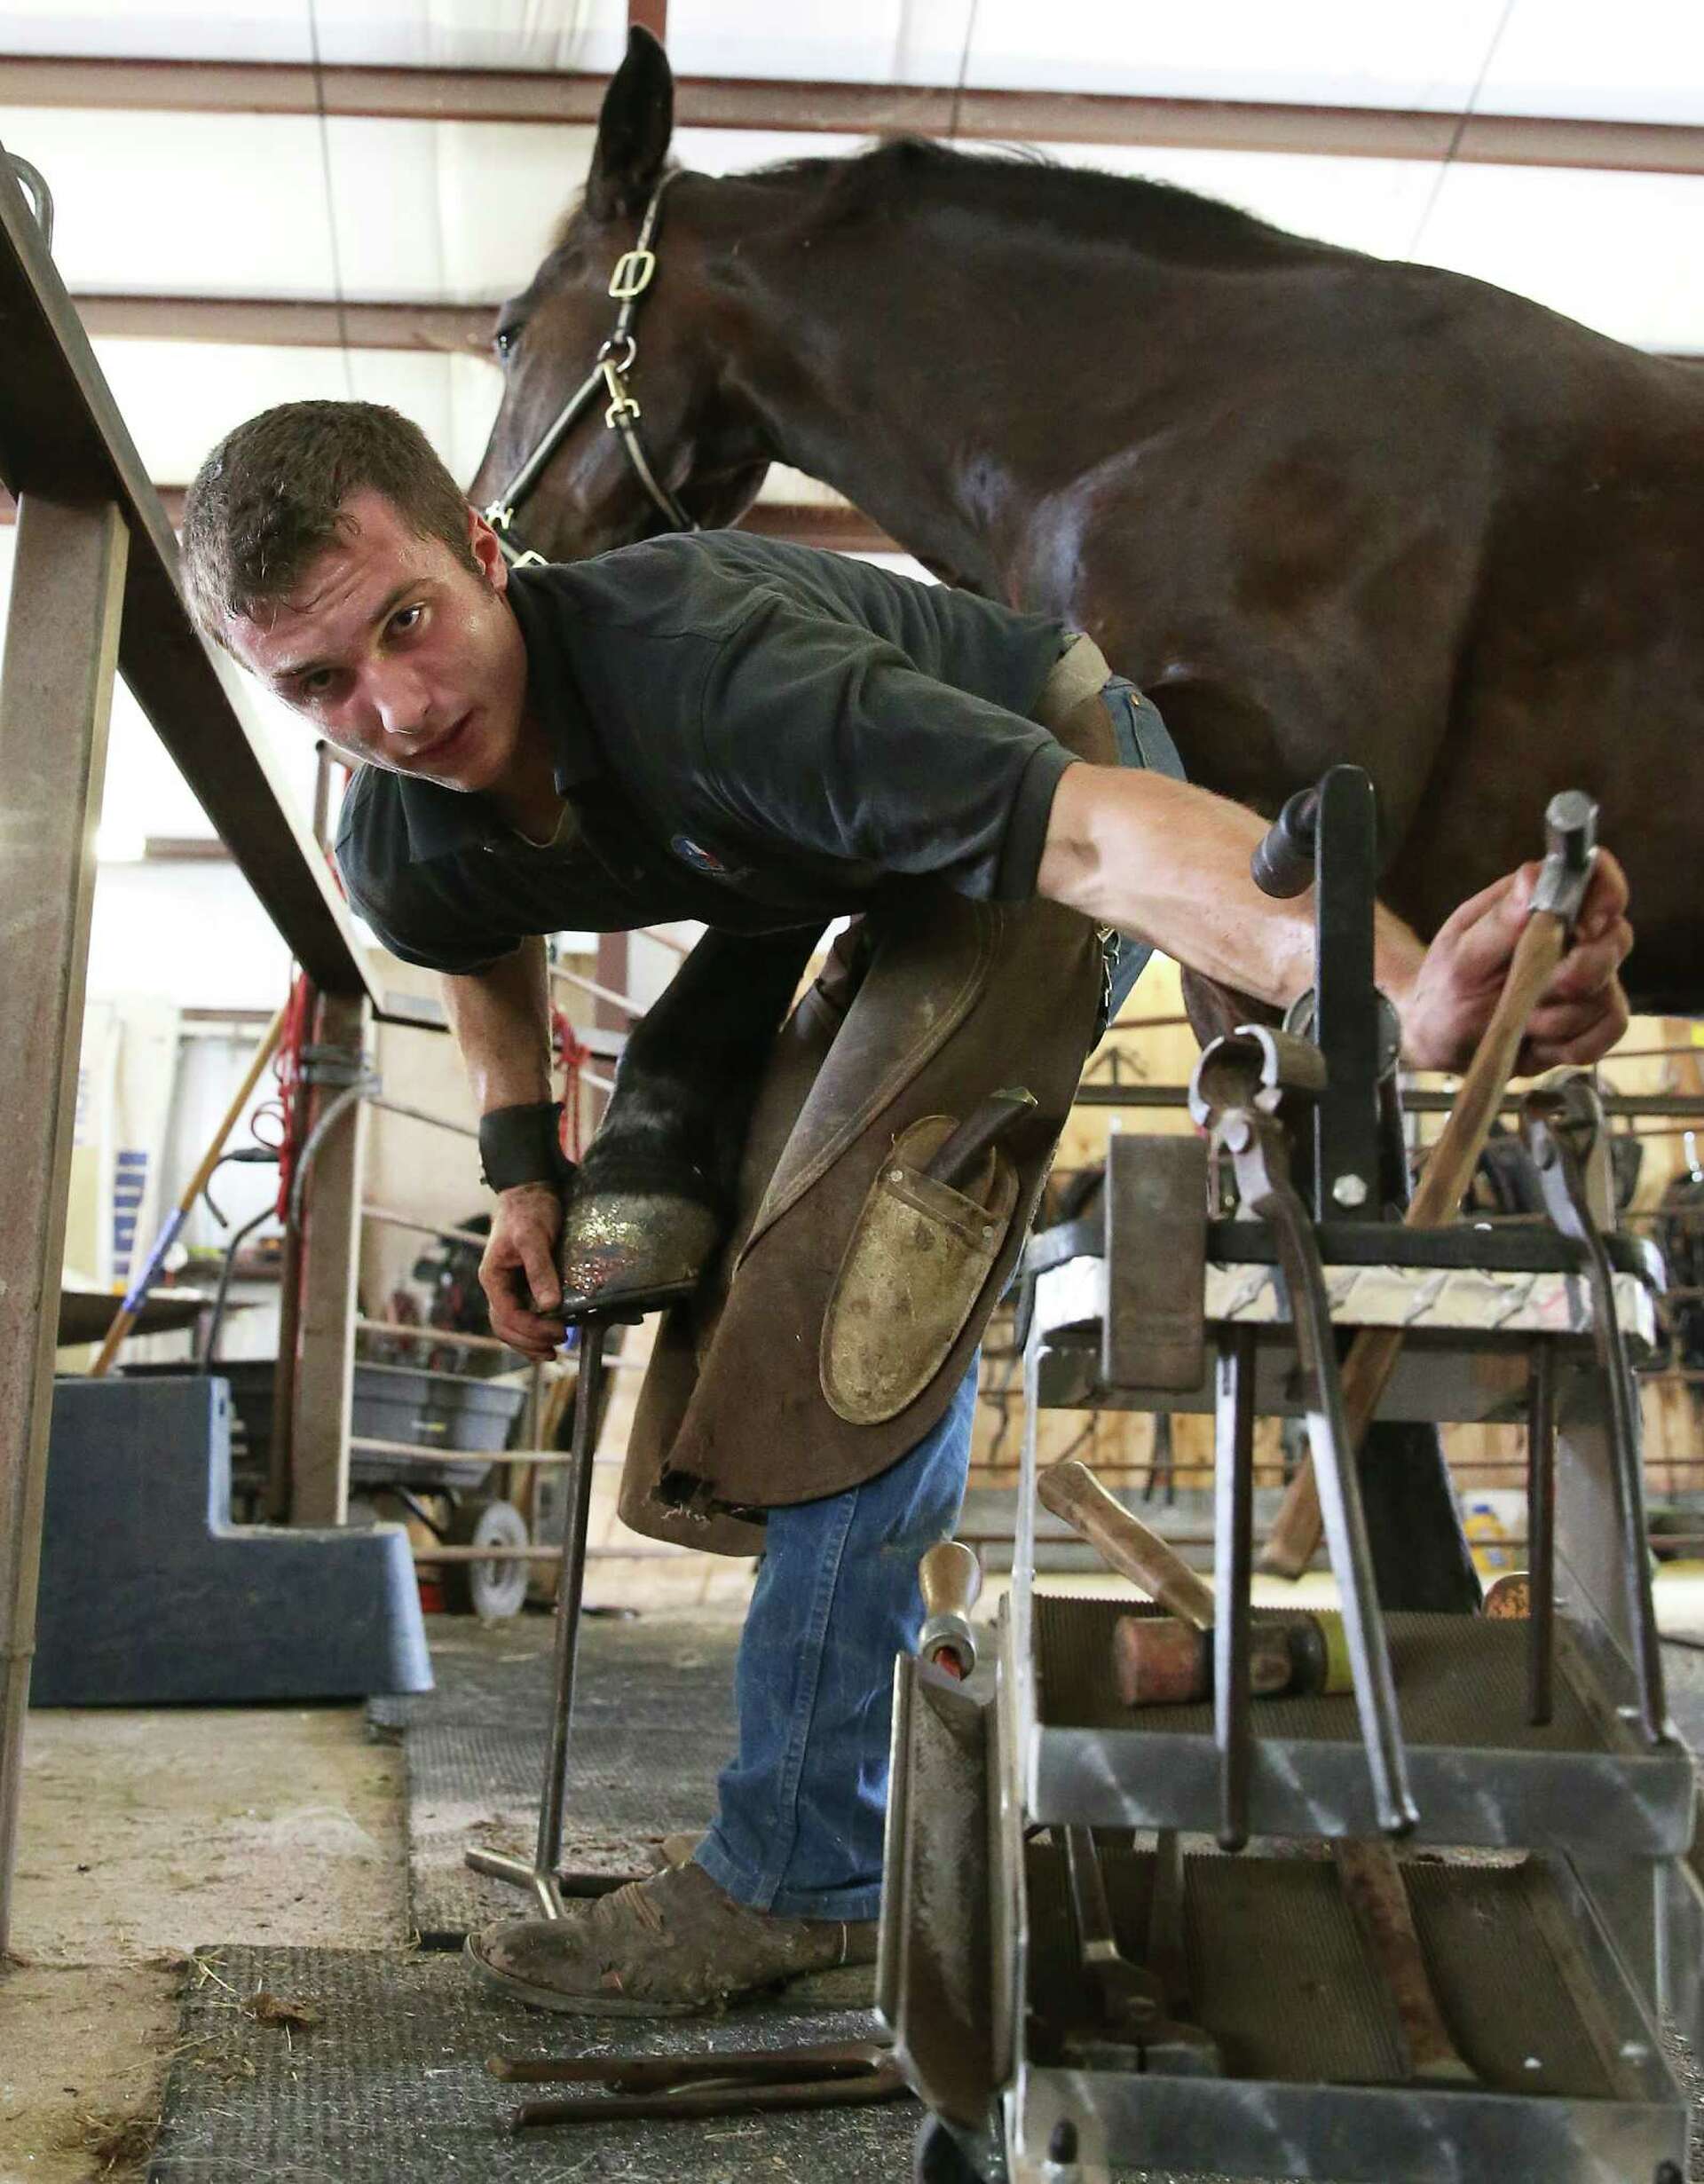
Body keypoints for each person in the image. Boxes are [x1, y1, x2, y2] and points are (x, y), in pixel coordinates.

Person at [182, 399, 1632, 2018]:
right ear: (275, 689)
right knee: (701, 1243)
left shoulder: (715, 672)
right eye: (322, 683)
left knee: (864, 1283)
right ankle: (823, 1790)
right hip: (826, 863)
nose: (396, 702)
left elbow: (1086, 833)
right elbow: (470, 921)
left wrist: (1402, 984)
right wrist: (525, 1164)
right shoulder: (395, 820)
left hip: (1034, 761)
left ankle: (797, 1868)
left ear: (485, 552)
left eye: (409, 622)